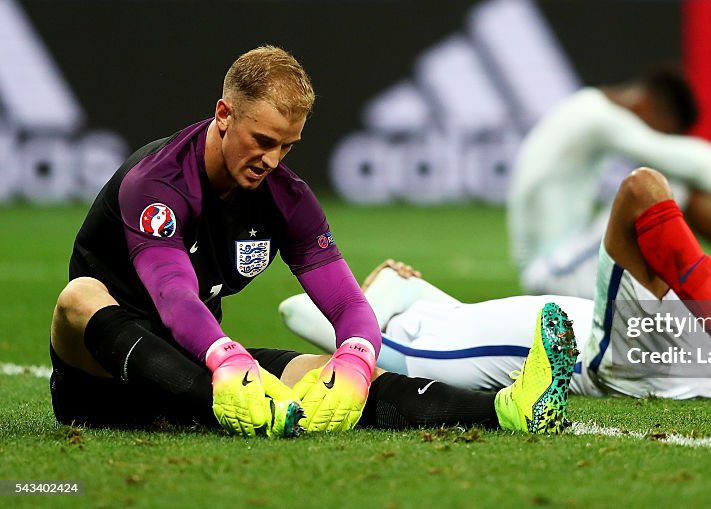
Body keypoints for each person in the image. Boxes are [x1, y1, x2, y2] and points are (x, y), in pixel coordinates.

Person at [48, 45, 576, 437]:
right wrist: (227, 359)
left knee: (320, 376)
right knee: (79, 297)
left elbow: (346, 301)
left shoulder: (286, 198)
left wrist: (354, 357)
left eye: (287, 146)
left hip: (198, 362)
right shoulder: (157, 183)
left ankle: (509, 408)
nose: (272, 161)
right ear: (224, 115)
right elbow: (174, 297)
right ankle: (240, 402)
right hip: (102, 378)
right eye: (263, 141)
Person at [282, 163, 711, 403]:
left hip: (694, 321)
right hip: (628, 356)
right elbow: (303, 315)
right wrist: (371, 290)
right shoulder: (402, 346)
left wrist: (390, 285)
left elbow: (398, 299)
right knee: (641, 190)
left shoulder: (434, 314)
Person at [509, 67, 711, 299]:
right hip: (553, 274)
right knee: (672, 186)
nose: (660, 137)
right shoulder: (596, 117)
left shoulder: (586, 109)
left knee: (666, 187)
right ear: (645, 104)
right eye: (664, 131)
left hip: (562, 263)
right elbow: (673, 156)